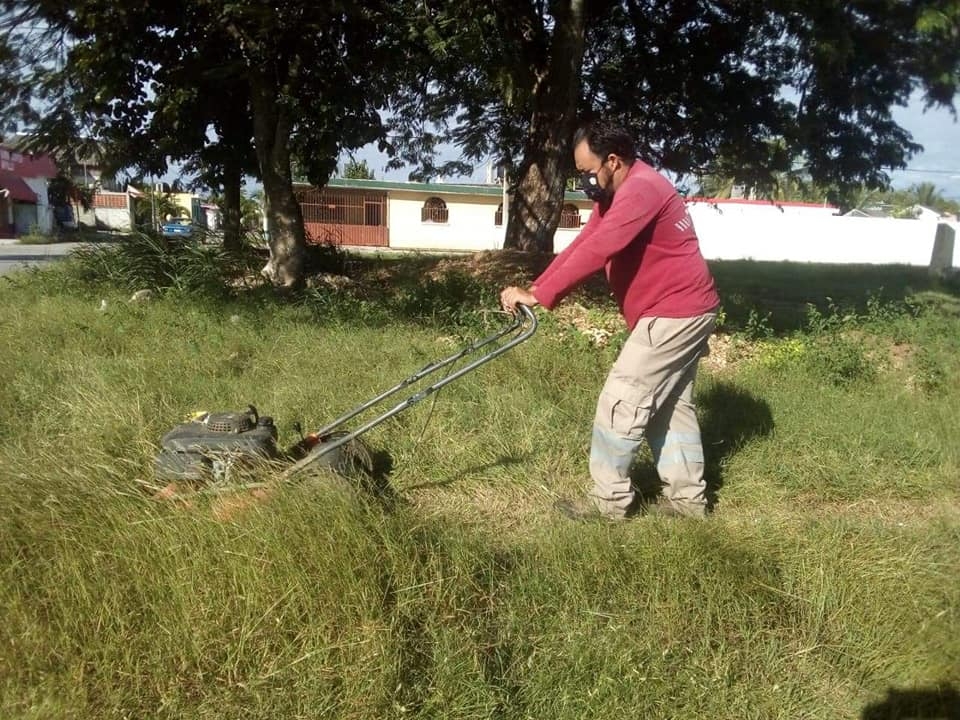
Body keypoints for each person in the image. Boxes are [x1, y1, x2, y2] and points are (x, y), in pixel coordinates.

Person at [500, 120, 720, 520]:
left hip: (674, 312)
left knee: (620, 401)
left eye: (587, 171)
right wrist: (539, 287)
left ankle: (609, 504)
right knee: (671, 407)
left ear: (613, 161)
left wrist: (540, 295)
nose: (584, 180)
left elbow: (602, 247)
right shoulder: (618, 194)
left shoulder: (641, 190)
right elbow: (585, 242)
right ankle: (689, 503)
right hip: (684, 309)